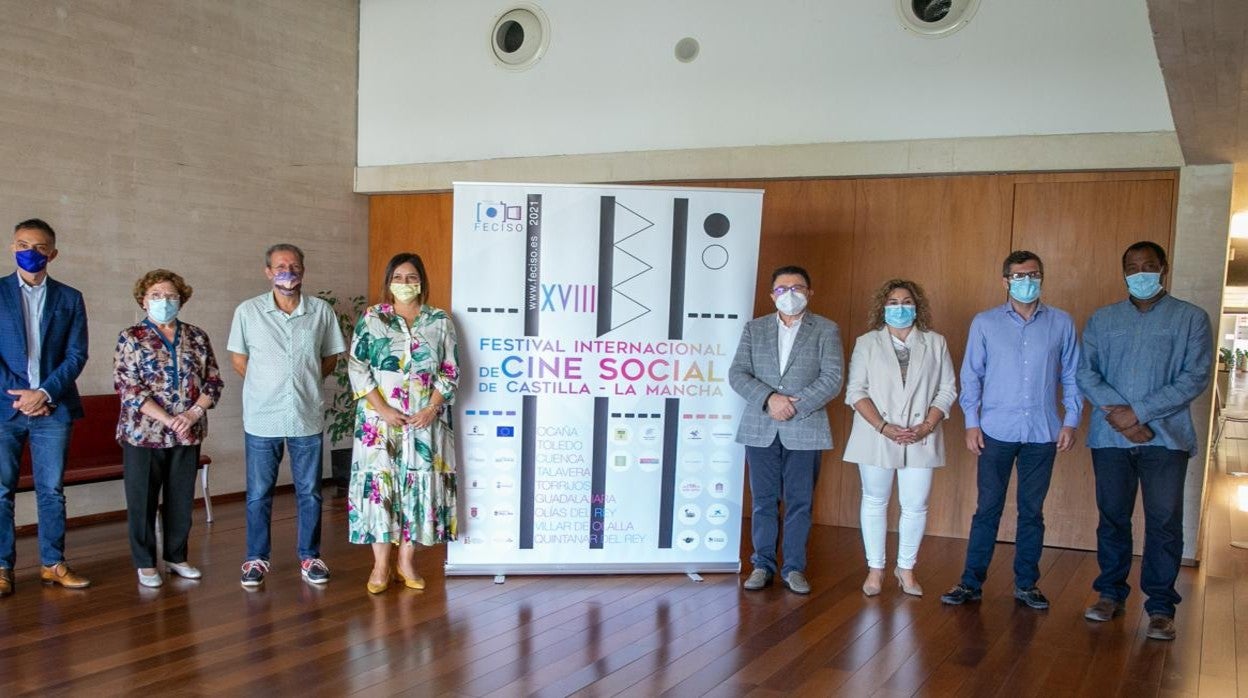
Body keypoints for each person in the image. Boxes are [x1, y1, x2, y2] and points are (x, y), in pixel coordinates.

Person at [1076, 241, 1211, 641]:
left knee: (1165, 523)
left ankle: (1160, 607)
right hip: (1109, 438)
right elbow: (1086, 373)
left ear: (1163, 268)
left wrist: (1139, 413)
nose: (1140, 272)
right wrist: (1122, 418)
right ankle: (1110, 594)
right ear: (1123, 273)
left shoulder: (1191, 318)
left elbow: (1195, 376)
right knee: (1112, 518)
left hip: (1167, 440)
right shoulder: (1103, 319)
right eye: (1132, 267)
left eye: (1148, 265)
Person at [941, 251, 1081, 610]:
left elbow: (1071, 374)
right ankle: (970, 583)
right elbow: (972, 374)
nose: (1027, 281)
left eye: (1033, 275)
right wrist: (971, 422)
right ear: (1005, 281)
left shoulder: (1061, 323)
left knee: (1032, 511)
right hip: (995, 431)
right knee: (987, 507)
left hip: (1043, 432)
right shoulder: (985, 323)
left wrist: (1071, 420)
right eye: (1019, 276)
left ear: (1042, 277)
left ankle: (1027, 584)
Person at [228, 244, 345, 588]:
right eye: (280, 266)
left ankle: (310, 557)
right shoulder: (248, 312)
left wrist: (306, 383)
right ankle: (255, 559)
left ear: (303, 271)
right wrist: (267, 386)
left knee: (309, 491)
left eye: (294, 266)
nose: (287, 272)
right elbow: (239, 360)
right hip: (262, 417)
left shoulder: (321, 312)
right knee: (258, 493)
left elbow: (330, 357)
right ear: (267, 272)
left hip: (306, 414)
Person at [347, 253, 459, 594]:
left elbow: (450, 370)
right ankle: (380, 565)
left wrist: (432, 408)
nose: (405, 284)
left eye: (412, 277)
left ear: (422, 281)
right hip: (378, 424)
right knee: (380, 488)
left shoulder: (440, 321)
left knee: (418, 487)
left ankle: (406, 561)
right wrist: (382, 409)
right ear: (388, 281)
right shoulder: (372, 319)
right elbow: (357, 368)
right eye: (399, 277)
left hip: (425, 423)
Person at [729, 265, 844, 595]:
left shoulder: (826, 329)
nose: (789, 294)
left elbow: (832, 378)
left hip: (805, 426)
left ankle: (794, 568)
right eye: (782, 289)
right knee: (763, 502)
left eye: (797, 287)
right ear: (771, 295)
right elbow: (738, 374)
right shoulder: (755, 329)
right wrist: (770, 399)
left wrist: (794, 404)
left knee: (799, 502)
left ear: (809, 293)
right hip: (760, 426)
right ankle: (762, 565)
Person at [843, 279, 956, 597]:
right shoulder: (867, 343)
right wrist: (882, 426)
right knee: (875, 501)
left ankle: (905, 569)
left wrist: (928, 425)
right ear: (883, 308)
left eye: (906, 302)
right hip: (877, 435)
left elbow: (947, 388)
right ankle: (875, 570)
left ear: (917, 307)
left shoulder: (935, 342)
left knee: (915, 505)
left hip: (922, 435)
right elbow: (855, 391)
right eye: (892, 303)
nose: (900, 308)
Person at [113, 270, 223, 588]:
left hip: (188, 431)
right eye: (157, 295)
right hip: (143, 433)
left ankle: (176, 556)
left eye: (171, 295)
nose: (164, 301)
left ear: (182, 299)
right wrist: (168, 419)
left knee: (180, 498)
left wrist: (191, 414)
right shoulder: (131, 337)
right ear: (143, 300)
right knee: (142, 499)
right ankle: (145, 563)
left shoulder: (197, 336)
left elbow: (214, 380)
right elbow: (128, 387)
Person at [0, 218, 90, 595]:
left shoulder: (70, 297)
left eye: (39, 247)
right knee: (1, 490)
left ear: (53, 253)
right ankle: (2, 567)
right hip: (4, 409)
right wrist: (22, 394)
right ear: (12, 247)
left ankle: (53, 564)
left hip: (53, 410)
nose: (30, 252)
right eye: (23, 244)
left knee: (51, 490)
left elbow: (76, 354)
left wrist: (45, 393)